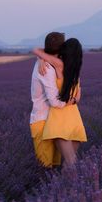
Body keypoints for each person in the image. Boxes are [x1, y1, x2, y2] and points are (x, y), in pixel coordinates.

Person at [32, 37, 87, 169]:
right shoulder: (76, 69)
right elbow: (78, 95)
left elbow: (36, 50)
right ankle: (68, 188)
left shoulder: (58, 64)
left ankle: (69, 188)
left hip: (59, 117)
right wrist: (73, 100)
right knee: (71, 162)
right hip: (74, 116)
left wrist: (41, 58)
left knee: (70, 163)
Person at [29, 32, 73, 168]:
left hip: (53, 121)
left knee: (54, 167)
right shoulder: (46, 68)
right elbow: (54, 101)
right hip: (43, 122)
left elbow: (39, 51)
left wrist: (40, 57)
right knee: (45, 167)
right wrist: (71, 101)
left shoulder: (47, 63)